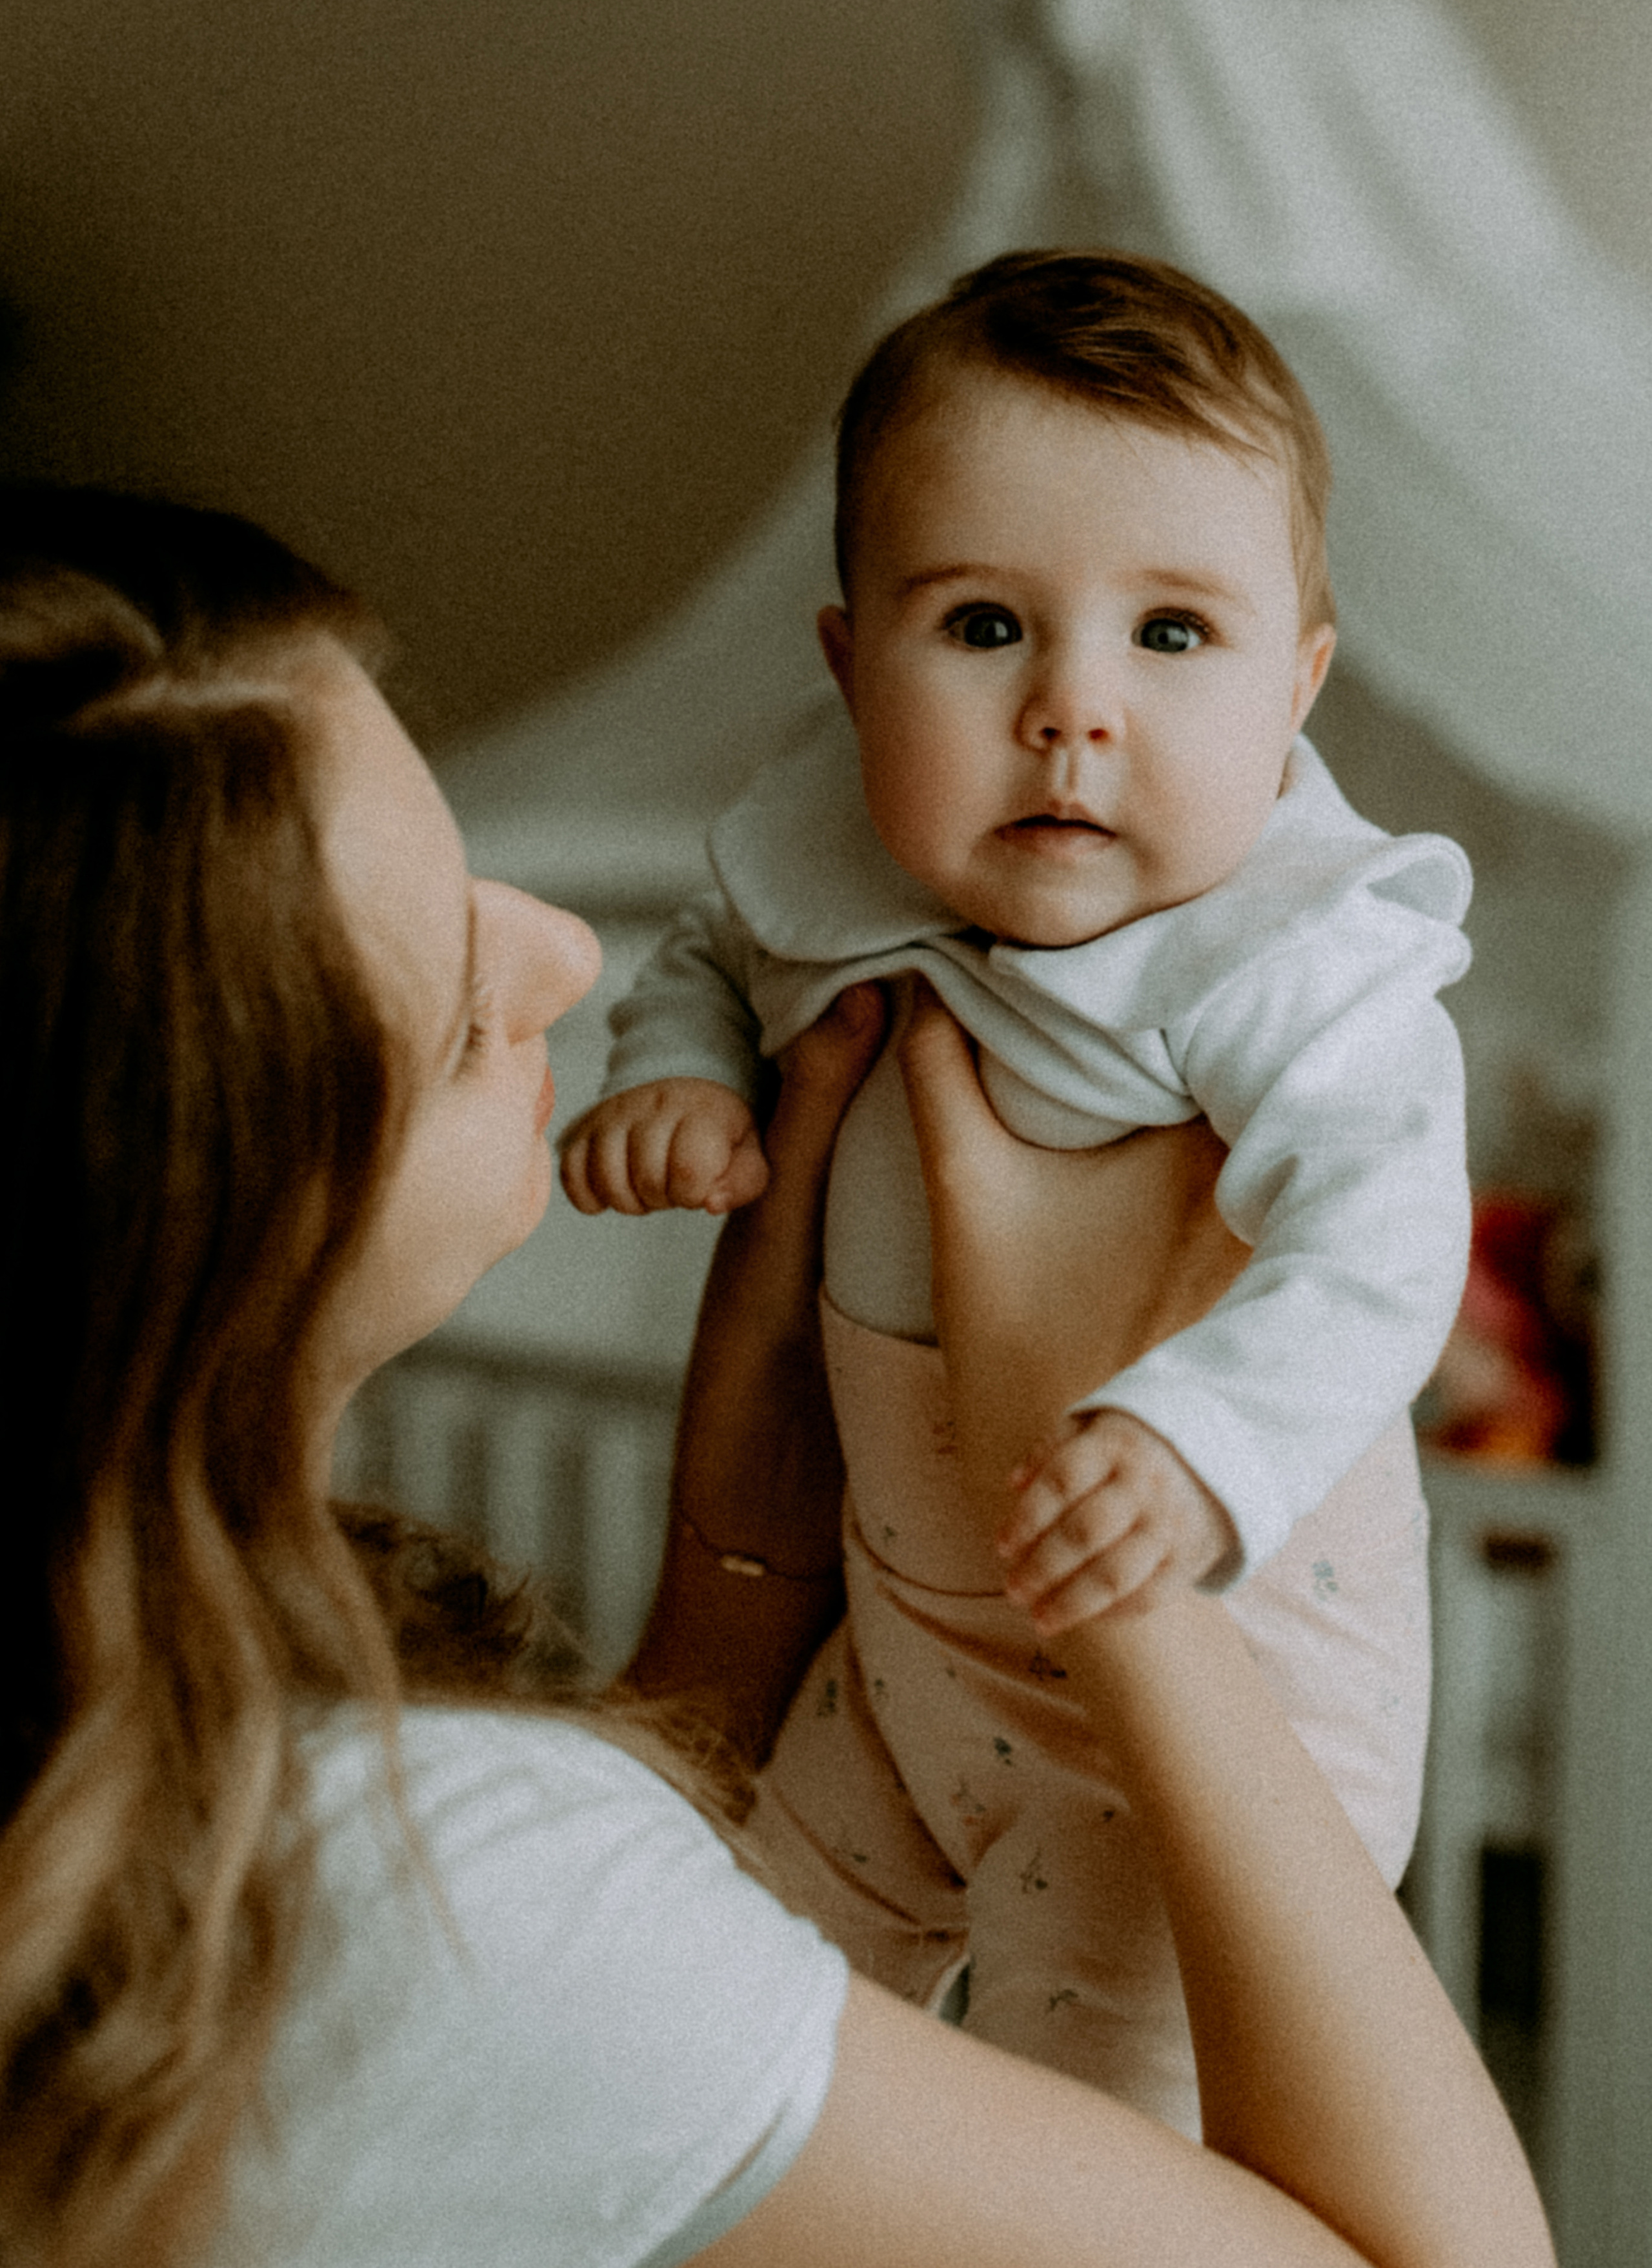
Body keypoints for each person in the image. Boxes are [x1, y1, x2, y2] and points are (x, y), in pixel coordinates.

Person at [0, 484, 1552, 2268]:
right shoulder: (382, 1888)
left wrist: (744, 1564)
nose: (570, 954)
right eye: (455, 1018)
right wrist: (1111, 1556)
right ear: (203, 1215)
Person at [560, 250, 1470, 2122]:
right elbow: (713, 959)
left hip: (1188, 1724)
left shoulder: (1289, 957)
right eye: (984, 628)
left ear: (1299, 685)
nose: (1072, 708)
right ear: (847, 660)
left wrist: (1198, 1436)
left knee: (1090, 2137)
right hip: (895, 1671)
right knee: (702, 2021)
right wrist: (672, 1073)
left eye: (1171, 635)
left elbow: (1383, 1242)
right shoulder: (834, 856)